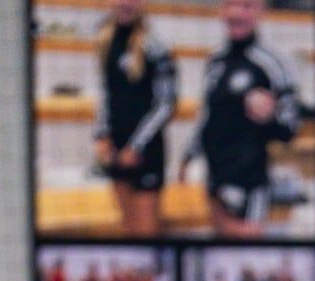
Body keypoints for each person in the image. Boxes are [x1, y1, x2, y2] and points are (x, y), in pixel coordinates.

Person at [179, 0, 300, 237]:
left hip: (248, 183)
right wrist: (187, 157)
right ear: (221, 10)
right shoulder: (216, 58)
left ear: (260, 11)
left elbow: (290, 128)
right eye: (231, 4)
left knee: (242, 254)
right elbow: (207, 115)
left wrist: (267, 117)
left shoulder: (274, 63)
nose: (237, 13)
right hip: (214, 179)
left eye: (246, 5)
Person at [93, 0, 175, 237]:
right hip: (117, 148)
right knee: (127, 230)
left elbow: (165, 104)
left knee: (145, 232)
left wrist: (136, 146)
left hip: (146, 153)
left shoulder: (156, 47)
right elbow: (106, 94)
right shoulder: (106, 40)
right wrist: (102, 135)